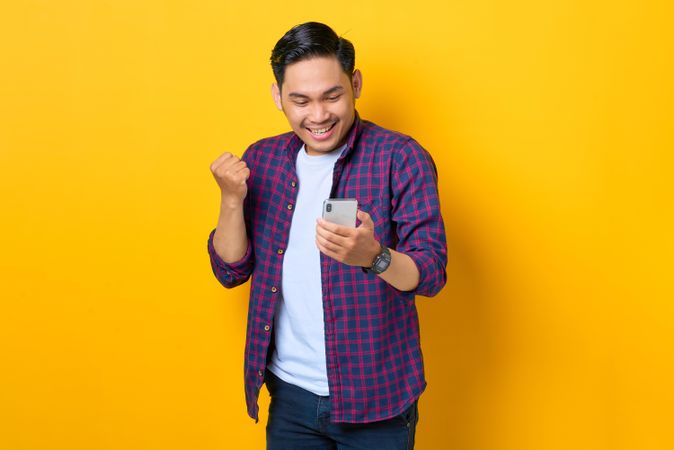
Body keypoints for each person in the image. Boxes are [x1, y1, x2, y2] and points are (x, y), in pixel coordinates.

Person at [207, 21, 447, 449]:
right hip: (291, 396)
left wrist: (376, 257)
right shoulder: (261, 159)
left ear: (354, 83)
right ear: (278, 96)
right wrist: (230, 198)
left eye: (332, 96)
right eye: (300, 100)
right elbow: (229, 270)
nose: (318, 115)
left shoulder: (400, 157)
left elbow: (430, 273)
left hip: (378, 400)